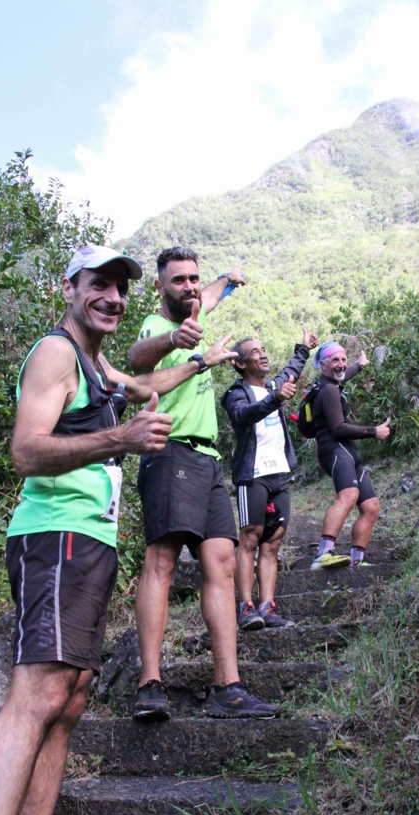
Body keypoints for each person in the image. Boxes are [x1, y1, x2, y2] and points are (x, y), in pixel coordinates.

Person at [0, 244, 238, 815]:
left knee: (74, 693)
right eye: (100, 285)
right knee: (35, 695)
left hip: (87, 542)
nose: (113, 298)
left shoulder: (98, 363)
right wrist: (120, 437)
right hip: (51, 536)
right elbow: (26, 449)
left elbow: (151, 380)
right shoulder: (55, 353)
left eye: (121, 288)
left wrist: (207, 362)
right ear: (70, 287)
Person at [129, 246, 280, 721]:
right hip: (170, 449)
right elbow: (138, 357)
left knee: (221, 564)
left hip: (210, 460)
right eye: (179, 280)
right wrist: (181, 341)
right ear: (159, 287)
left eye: (193, 279)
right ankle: (149, 684)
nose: (190, 287)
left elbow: (210, 294)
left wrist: (226, 279)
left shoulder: (197, 306)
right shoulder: (158, 328)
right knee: (163, 559)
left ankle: (227, 687)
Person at [221, 331, 318, 630]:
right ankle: (246, 608)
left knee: (273, 542)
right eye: (254, 351)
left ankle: (267, 607)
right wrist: (275, 398)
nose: (262, 354)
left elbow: (290, 370)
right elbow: (243, 415)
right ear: (239, 363)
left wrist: (303, 347)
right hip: (253, 475)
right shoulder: (234, 393)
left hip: (279, 474)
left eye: (264, 349)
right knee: (250, 537)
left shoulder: (275, 385)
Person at [308, 341, 391, 571]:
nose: (341, 364)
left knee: (371, 506)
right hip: (334, 449)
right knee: (349, 495)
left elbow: (344, 374)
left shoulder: (333, 382)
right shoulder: (328, 390)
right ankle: (323, 553)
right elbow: (338, 428)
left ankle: (356, 559)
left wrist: (359, 364)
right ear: (322, 365)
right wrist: (374, 431)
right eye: (335, 360)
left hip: (348, 452)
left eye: (343, 359)